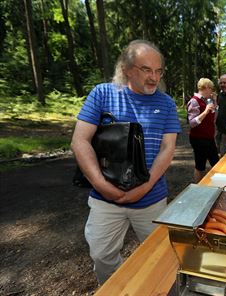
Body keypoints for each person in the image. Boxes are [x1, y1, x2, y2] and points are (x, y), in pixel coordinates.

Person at [71, 40, 181, 284]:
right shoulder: (102, 94)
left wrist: (144, 186)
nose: (154, 77)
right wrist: (101, 185)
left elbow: (167, 148)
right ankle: (117, 287)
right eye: (146, 69)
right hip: (104, 198)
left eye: (158, 70)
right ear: (127, 69)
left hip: (151, 198)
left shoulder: (166, 103)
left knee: (163, 254)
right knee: (102, 255)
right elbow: (80, 141)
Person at [187, 78, 220, 183]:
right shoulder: (194, 101)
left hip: (209, 138)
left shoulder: (207, 101)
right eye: (211, 89)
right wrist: (205, 111)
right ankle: (198, 188)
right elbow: (192, 123)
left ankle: (219, 184)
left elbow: (214, 118)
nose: (212, 91)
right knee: (200, 166)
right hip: (198, 139)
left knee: (216, 162)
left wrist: (214, 102)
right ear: (206, 88)